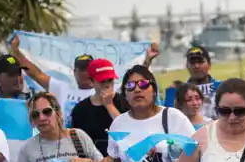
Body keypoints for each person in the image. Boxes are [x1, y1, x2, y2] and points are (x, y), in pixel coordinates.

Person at [10, 33, 158, 124]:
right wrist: (16, 52)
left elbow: (137, 80)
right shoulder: (61, 88)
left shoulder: (109, 88)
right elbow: (35, 73)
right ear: (74, 71)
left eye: (89, 69)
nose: (85, 73)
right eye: (82, 69)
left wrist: (147, 60)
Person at [186, 46, 220, 120]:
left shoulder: (222, 87)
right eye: (192, 63)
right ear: (187, 66)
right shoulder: (178, 91)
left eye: (200, 62)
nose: (196, 66)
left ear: (209, 65)